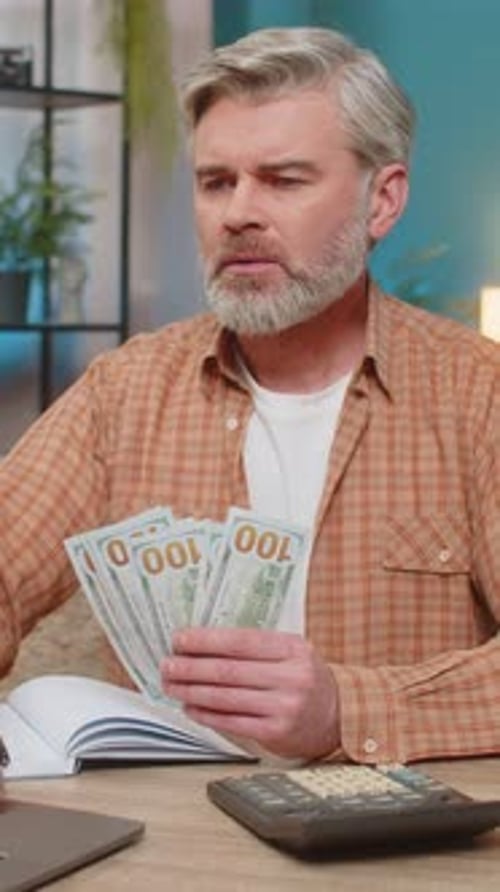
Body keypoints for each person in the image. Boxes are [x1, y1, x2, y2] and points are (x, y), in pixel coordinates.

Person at [0, 27, 498, 765]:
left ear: (382, 201)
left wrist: (345, 708)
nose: (238, 214)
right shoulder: (125, 391)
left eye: (285, 179)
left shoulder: (478, 395)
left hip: (392, 854)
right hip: (165, 850)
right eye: (215, 182)